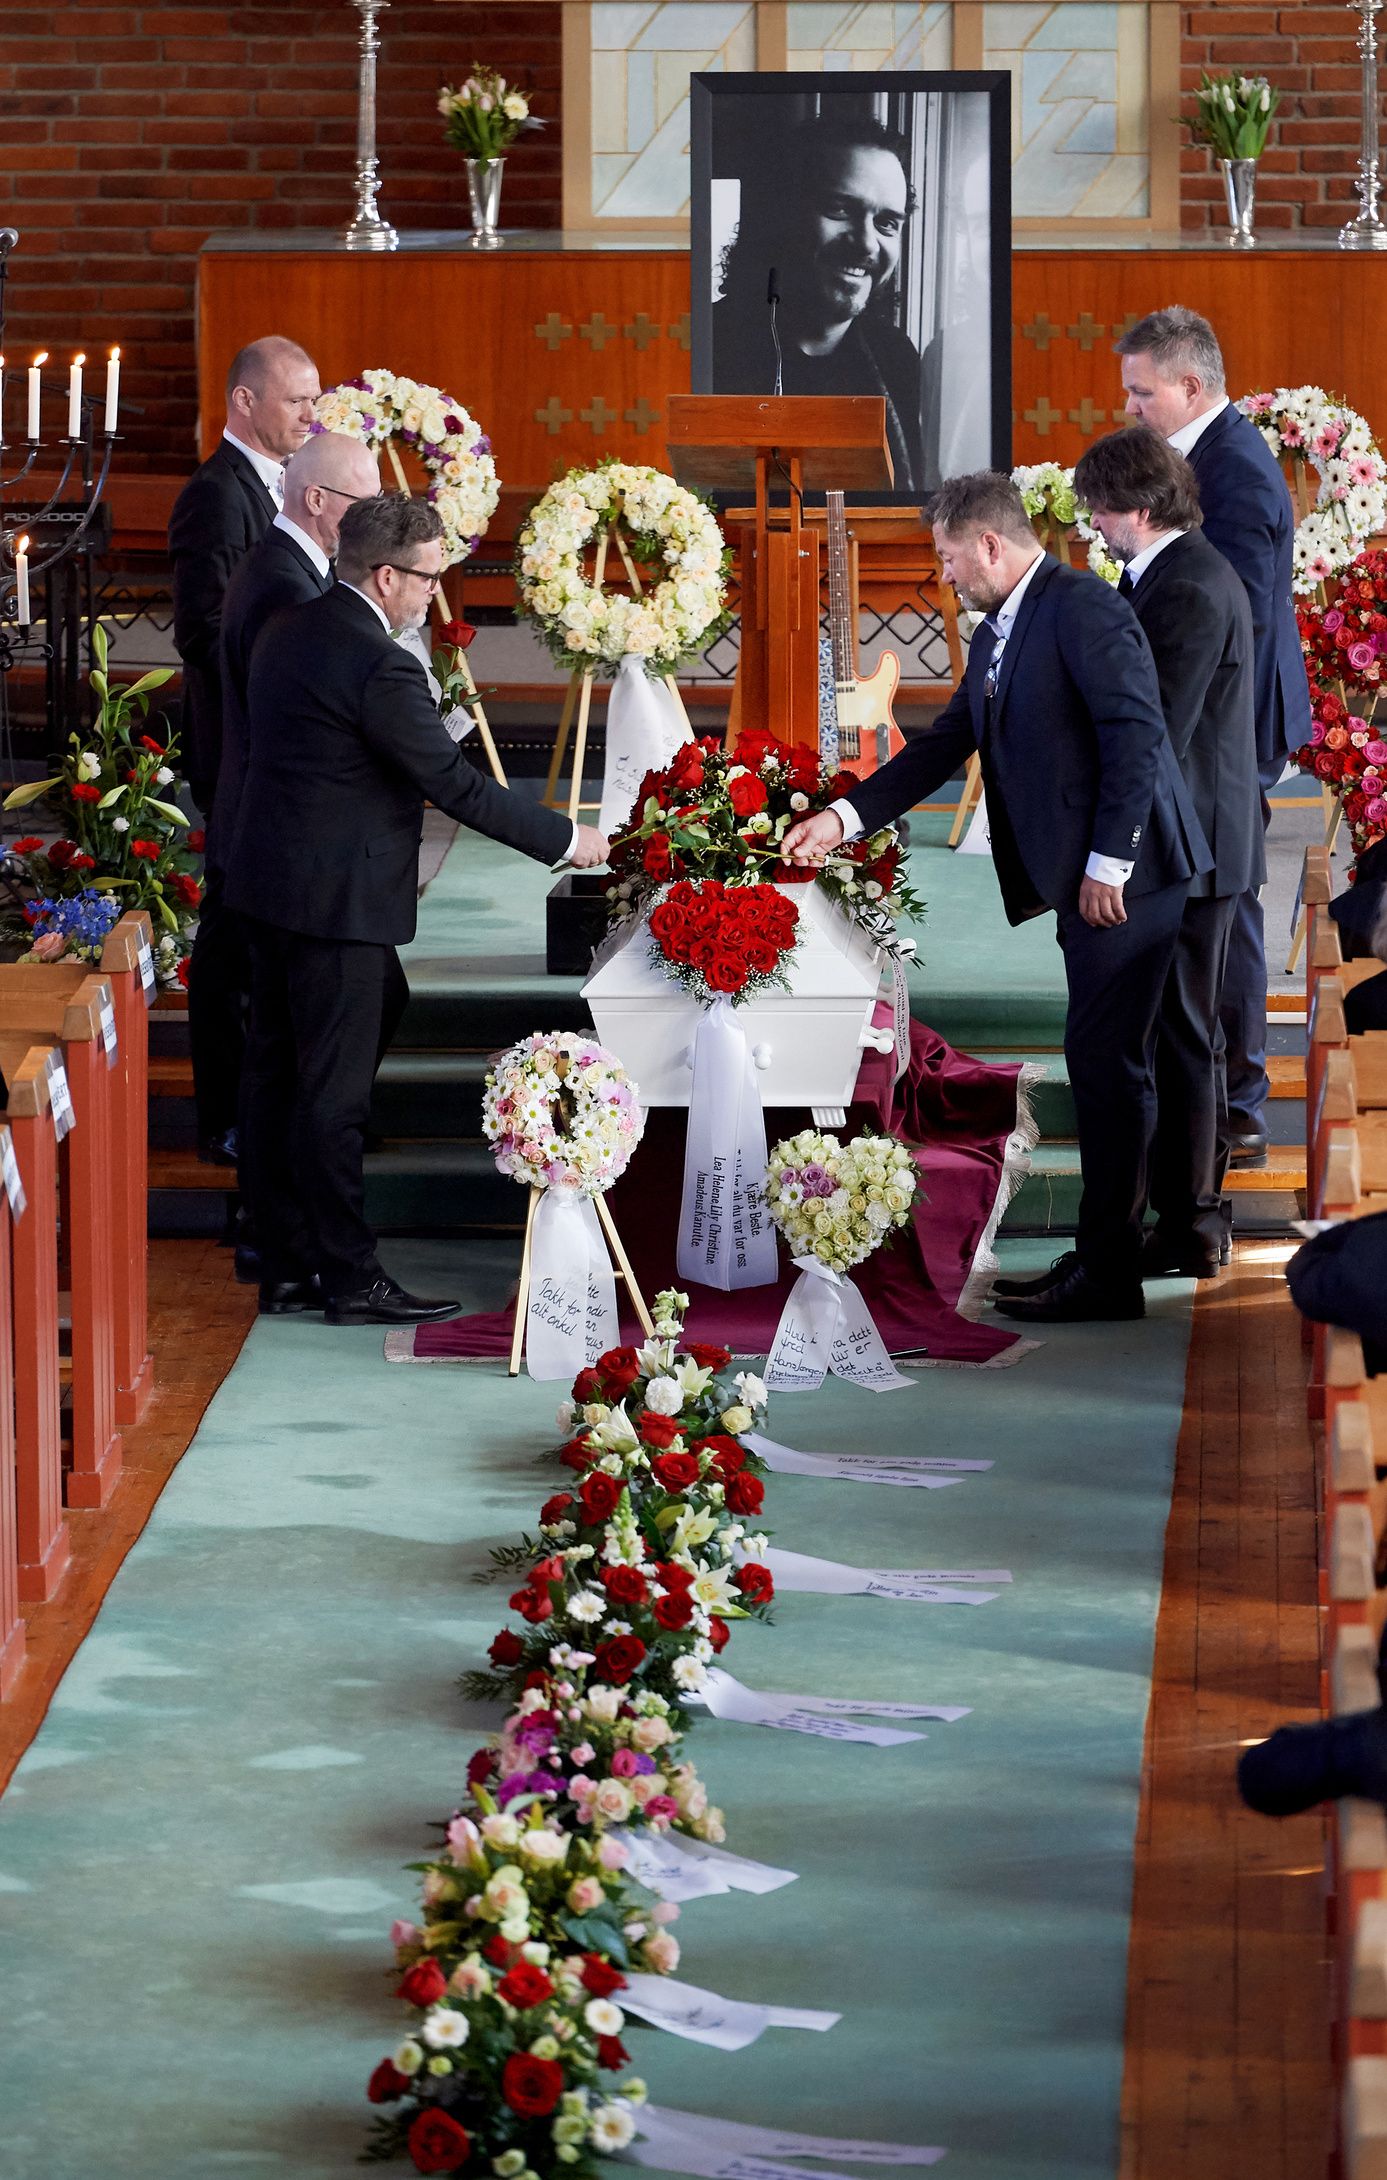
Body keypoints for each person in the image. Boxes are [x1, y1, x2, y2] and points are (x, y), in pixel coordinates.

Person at [781, 470, 1211, 1323]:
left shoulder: (1081, 607)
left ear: (988, 544)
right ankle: (1101, 1255)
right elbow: (944, 743)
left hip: (1132, 876)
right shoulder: (999, 630)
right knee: (1102, 1059)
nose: (943, 574)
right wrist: (843, 817)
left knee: (1108, 1064)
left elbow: (1136, 736)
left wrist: (1110, 863)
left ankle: (1109, 1274)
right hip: (1092, 878)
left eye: (948, 558)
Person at [223, 493, 610, 1326]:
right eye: (428, 577)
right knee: (332, 1099)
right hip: (336, 903)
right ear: (386, 575)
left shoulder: (288, 627)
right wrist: (567, 838)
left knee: (276, 1078)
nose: (435, 593)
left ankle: (285, 1262)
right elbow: (454, 786)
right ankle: (349, 1276)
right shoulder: (380, 662)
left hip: (270, 886)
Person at [1116, 306, 1311, 1167]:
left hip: (1229, 726)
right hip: (1211, 721)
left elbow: (1233, 626)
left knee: (1224, 900)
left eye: (1141, 392)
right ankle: (1213, 1087)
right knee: (1212, 897)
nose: (1129, 408)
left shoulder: (1233, 474)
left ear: (1189, 387)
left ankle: (1235, 1102)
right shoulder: (1205, 457)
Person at [1073, 425, 1263, 1280]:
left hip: (1198, 848)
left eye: (1099, 508)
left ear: (1141, 508)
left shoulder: (1186, 583)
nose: (1091, 523)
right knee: (1177, 1032)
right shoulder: (1166, 570)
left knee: (1186, 1036)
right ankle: (1184, 1217)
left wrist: (1113, 849)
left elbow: (1157, 732)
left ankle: (1192, 1223)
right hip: (1191, 839)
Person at [169, 334, 322, 1167]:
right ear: (245, 400)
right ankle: (222, 1116)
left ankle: (276, 1107)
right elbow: (201, 631)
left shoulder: (283, 484)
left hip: (278, 749)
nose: (310, 414)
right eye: (296, 399)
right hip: (237, 750)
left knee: (263, 930)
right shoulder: (214, 495)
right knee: (228, 937)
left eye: (314, 399)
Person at [712, 117, 927, 490]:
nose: (866, 243)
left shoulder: (896, 357)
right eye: (840, 209)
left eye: (887, 223)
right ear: (783, 214)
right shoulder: (712, 342)